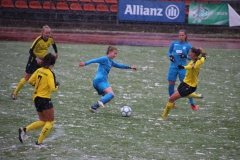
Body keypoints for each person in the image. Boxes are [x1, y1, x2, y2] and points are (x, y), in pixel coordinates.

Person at [79, 46, 137, 113]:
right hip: (99, 81)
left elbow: (119, 65)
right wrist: (85, 63)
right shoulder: (105, 58)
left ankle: (94, 108)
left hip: (100, 81)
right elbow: (94, 60)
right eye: (114, 53)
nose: (115, 55)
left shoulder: (111, 61)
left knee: (110, 95)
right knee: (111, 94)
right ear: (109, 52)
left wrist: (130, 67)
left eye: (116, 54)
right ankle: (100, 102)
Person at [18, 53, 60, 147]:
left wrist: (38, 85)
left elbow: (30, 81)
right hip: (45, 98)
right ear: (52, 64)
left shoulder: (39, 70)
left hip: (36, 98)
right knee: (50, 121)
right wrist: (57, 86)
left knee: (43, 120)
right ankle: (39, 142)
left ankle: (24, 130)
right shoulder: (50, 73)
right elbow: (52, 88)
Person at [11, 25, 59, 100]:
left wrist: (56, 53)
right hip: (33, 60)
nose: (48, 34)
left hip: (42, 61)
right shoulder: (38, 40)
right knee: (27, 77)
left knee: (44, 75)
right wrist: (37, 59)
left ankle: (40, 93)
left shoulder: (50, 39)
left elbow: (54, 45)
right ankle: (15, 93)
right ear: (42, 32)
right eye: (46, 33)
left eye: (49, 33)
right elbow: (30, 51)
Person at [159, 47, 207, 120]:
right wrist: (203, 55)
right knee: (181, 95)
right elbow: (203, 58)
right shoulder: (199, 59)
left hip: (190, 86)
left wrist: (183, 67)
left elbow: (189, 67)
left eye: (190, 52)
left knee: (171, 99)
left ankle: (163, 117)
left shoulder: (196, 63)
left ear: (194, 54)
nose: (189, 53)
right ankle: (197, 96)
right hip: (185, 83)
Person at [167, 29, 198, 110]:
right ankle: (172, 102)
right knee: (171, 84)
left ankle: (192, 104)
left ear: (185, 36)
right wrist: (170, 56)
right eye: (179, 35)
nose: (181, 37)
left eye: (182, 35)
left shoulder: (188, 46)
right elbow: (169, 52)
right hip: (173, 67)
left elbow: (192, 57)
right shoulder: (174, 43)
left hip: (182, 68)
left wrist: (185, 56)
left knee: (187, 86)